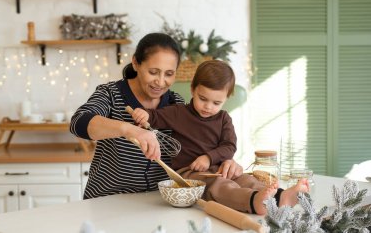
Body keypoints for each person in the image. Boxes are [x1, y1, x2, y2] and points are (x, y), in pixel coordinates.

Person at [70, 33, 243, 199]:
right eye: (153, 72)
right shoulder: (111, 94)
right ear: (136, 63)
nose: (160, 82)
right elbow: (78, 122)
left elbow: (198, 149)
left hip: (158, 201)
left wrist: (225, 162)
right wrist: (130, 130)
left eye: (169, 74)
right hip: (107, 200)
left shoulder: (176, 103)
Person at [131, 60, 309, 215]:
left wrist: (209, 158)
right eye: (203, 98)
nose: (208, 107)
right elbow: (154, 117)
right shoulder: (178, 113)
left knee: (246, 180)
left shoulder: (224, 118)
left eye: (216, 103)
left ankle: (280, 196)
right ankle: (255, 202)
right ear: (193, 89)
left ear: (226, 98)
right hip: (190, 174)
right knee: (221, 186)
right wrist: (143, 114)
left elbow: (229, 146)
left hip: (221, 168)